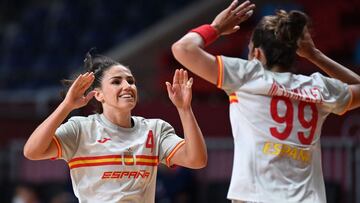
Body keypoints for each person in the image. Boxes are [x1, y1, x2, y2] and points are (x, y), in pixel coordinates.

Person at [172, 0, 360, 202]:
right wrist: (315, 55)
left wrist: (216, 28)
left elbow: (183, 49)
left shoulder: (247, 76)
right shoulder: (318, 87)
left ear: (257, 53)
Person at [23, 53, 207, 203]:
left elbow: (196, 160)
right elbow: (32, 151)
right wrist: (66, 106)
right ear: (99, 95)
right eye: (117, 82)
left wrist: (185, 109)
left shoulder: (155, 129)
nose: (127, 86)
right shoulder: (81, 129)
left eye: (131, 81)